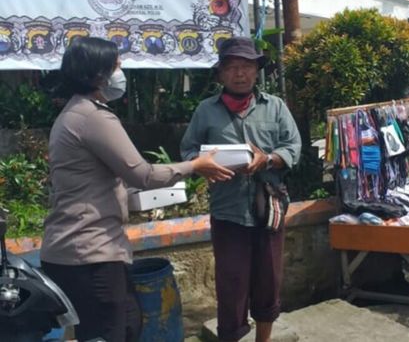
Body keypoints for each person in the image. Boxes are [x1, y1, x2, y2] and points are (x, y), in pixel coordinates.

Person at [40, 37, 233, 342]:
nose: (120, 73)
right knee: (112, 332)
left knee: (127, 324)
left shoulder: (73, 114)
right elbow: (143, 174)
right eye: (116, 66)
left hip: (81, 251)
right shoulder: (92, 117)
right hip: (89, 254)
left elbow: (104, 181)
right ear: (97, 73)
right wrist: (196, 165)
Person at [181, 37, 301, 342]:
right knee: (231, 286)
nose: (239, 73)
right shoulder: (205, 111)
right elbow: (188, 150)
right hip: (228, 212)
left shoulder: (274, 107)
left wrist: (269, 159)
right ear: (221, 73)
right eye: (232, 67)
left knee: (268, 280)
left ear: (256, 71)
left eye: (246, 67)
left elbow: (293, 147)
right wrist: (202, 164)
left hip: (268, 210)